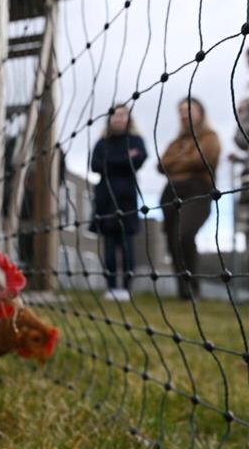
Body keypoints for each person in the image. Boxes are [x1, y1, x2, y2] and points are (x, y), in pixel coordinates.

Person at [158, 97, 221, 300]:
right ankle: (183, 291)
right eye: (181, 111)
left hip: (198, 191)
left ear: (200, 112)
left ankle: (194, 286)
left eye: (188, 110)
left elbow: (203, 159)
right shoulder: (175, 142)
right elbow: (161, 165)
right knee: (171, 240)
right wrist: (186, 158)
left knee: (184, 234)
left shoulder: (210, 137)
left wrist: (177, 163)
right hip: (170, 193)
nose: (184, 114)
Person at [90, 105, 147, 302]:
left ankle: (126, 288)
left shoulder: (136, 140)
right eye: (114, 115)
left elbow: (139, 160)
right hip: (105, 200)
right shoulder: (101, 143)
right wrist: (125, 158)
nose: (118, 119)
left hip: (127, 200)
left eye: (122, 115)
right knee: (109, 248)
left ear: (129, 118)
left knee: (127, 246)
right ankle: (111, 287)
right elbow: (95, 165)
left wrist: (110, 162)